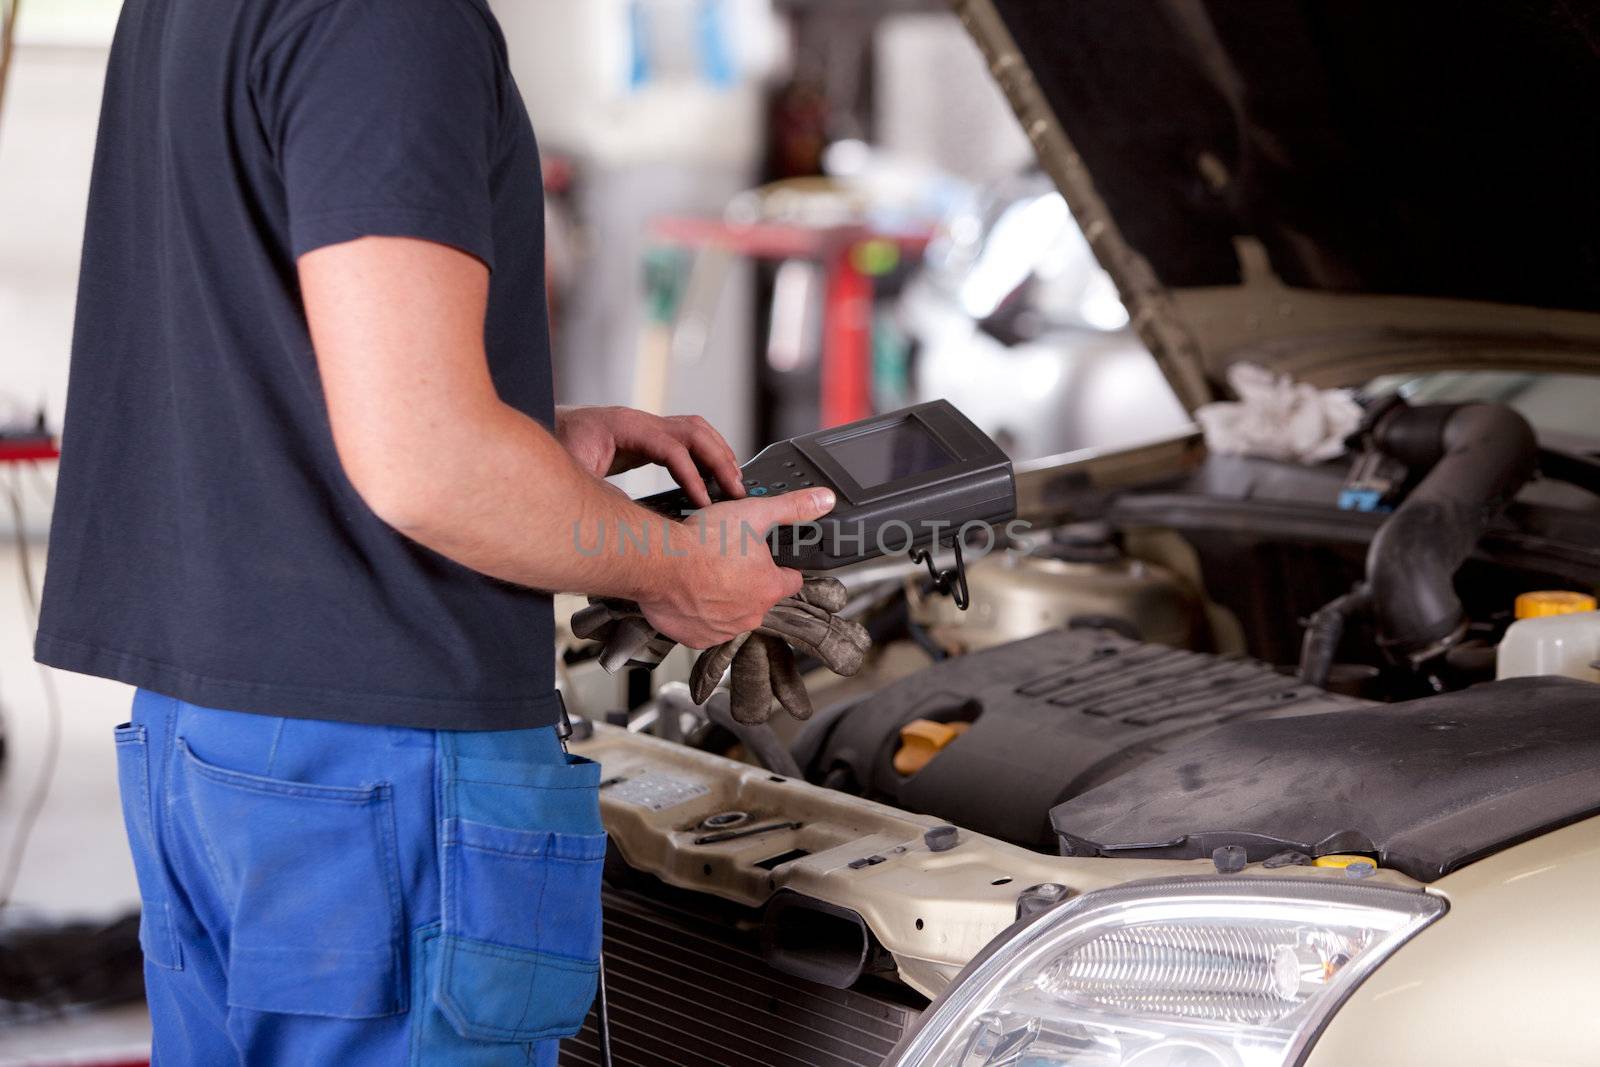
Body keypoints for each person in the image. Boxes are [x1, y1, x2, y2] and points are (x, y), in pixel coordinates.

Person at [33, 0, 831, 1062]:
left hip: (209, 733)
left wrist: (533, 441)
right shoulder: (392, 18)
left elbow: (263, 350)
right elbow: (426, 462)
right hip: (374, 761)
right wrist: (680, 565)